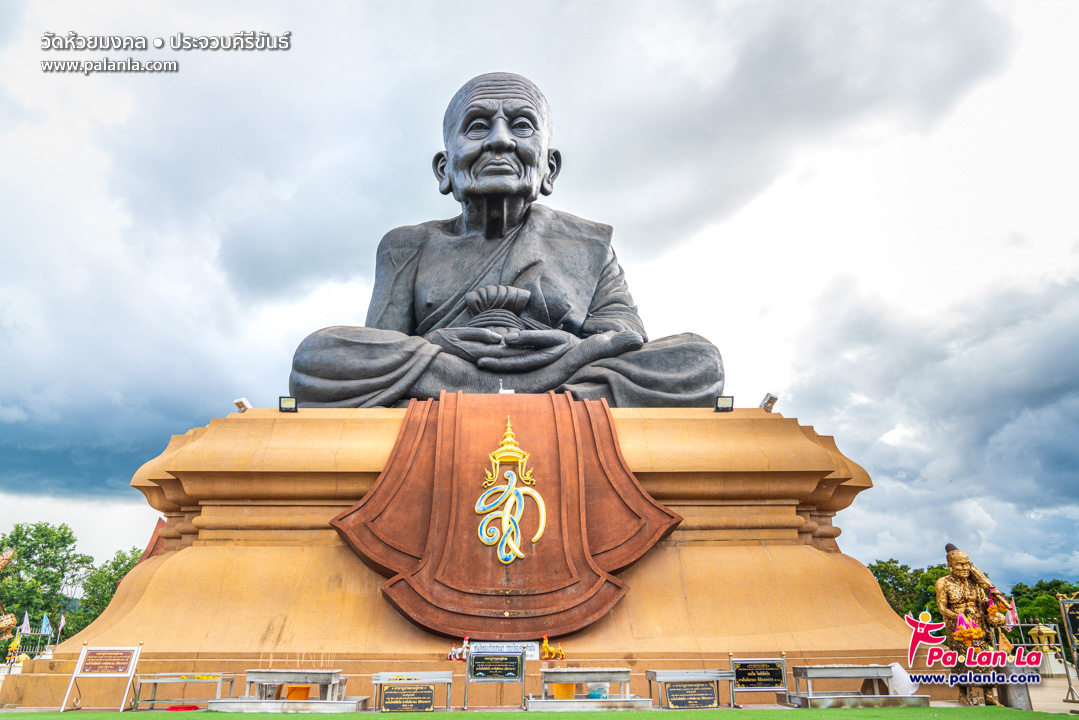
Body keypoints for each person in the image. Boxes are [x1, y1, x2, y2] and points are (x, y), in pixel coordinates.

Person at [290, 73, 723, 408]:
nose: (500, 139)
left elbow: (626, 341)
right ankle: (527, 394)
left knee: (697, 360)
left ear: (549, 168)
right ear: (445, 169)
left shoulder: (589, 244)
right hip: (553, 385)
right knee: (319, 354)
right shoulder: (407, 245)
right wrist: (441, 344)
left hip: (535, 373)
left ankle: (495, 391)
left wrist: (571, 351)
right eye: (477, 127)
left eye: (521, 125)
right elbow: (381, 354)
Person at [935, 547, 1008, 706]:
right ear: (950, 566)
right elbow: (942, 608)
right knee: (961, 660)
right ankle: (963, 694)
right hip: (958, 625)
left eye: (966, 564)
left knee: (984, 659)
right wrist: (959, 616)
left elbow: (984, 602)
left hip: (978, 624)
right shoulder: (943, 582)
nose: (964, 568)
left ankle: (988, 695)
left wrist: (992, 609)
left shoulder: (976, 584)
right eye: (959, 565)